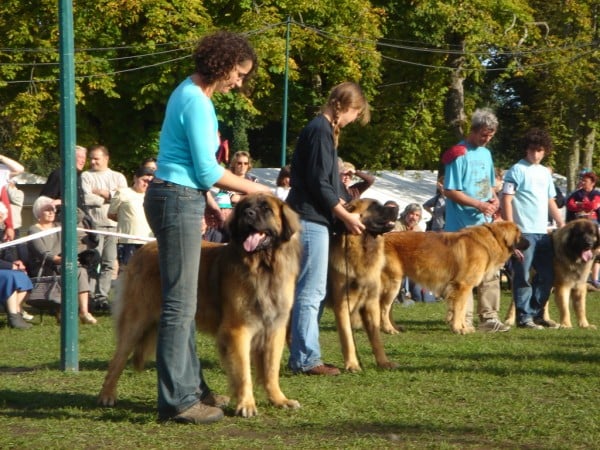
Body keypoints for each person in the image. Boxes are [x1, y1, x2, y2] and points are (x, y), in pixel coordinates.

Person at [143, 30, 269, 425]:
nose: (239, 81)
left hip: (180, 196)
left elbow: (188, 166)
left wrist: (209, 202)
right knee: (180, 305)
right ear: (223, 64)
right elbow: (206, 170)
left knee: (185, 303)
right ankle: (177, 402)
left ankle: (194, 389)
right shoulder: (197, 101)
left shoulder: (189, 92)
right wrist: (259, 188)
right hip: (176, 197)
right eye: (239, 72)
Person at [286, 81, 369, 376]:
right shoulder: (321, 131)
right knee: (311, 291)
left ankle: (300, 352)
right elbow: (321, 184)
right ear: (347, 107)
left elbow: (326, 182)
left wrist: (345, 203)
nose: (352, 122)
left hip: (308, 218)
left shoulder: (319, 131)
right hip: (310, 220)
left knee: (307, 291)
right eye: (355, 115)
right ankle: (306, 359)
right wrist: (345, 216)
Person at [442, 107, 510, 333]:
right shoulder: (458, 153)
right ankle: (464, 319)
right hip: (461, 227)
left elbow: (489, 184)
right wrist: (478, 204)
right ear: (474, 129)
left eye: (491, 135)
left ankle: (489, 317)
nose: (487, 139)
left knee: (492, 269)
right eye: (484, 134)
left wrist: (494, 199)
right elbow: (450, 190)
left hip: (485, 224)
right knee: (464, 275)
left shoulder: (486, 154)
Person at [501, 128, 565, 329]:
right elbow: (506, 199)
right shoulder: (516, 170)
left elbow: (550, 201)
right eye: (532, 150)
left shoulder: (545, 173)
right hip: (523, 232)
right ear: (526, 150)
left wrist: (561, 224)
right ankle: (524, 318)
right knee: (523, 276)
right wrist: (511, 229)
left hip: (543, 232)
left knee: (547, 275)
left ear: (545, 151)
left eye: (540, 150)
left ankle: (537, 314)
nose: (535, 154)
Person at [27, 196, 97, 324]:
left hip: (62, 263)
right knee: (72, 269)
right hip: (45, 267)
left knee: (80, 270)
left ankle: (84, 312)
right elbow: (43, 253)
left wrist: (63, 204)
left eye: (52, 210)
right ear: (38, 212)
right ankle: (63, 311)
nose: (51, 212)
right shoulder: (33, 230)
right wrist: (63, 261)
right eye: (47, 210)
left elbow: (79, 216)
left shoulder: (59, 226)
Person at [80, 145, 128, 309]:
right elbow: (86, 198)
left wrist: (101, 192)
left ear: (106, 158)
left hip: (113, 226)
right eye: (91, 158)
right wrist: (107, 197)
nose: (92, 161)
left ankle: (102, 296)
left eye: (96, 158)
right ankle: (90, 295)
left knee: (108, 262)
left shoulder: (118, 176)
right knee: (93, 261)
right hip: (94, 225)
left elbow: (121, 197)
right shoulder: (86, 176)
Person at [204, 150, 258, 243]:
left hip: (248, 219)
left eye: (246, 163)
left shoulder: (253, 180)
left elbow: (255, 200)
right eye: (239, 163)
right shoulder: (227, 180)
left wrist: (237, 198)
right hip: (229, 221)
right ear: (234, 164)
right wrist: (244, 198)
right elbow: (223, 202)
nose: (243, 166)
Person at [107, 166, 154, 267]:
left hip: (148, 241)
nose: (146, 184)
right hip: (128, 241)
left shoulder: (152, 195)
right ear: (135, 178)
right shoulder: (122, 193)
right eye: (144, 180)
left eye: (150, 182)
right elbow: (111, 214)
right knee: (127, 270)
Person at [565, 171, 600, 289]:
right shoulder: (576, 194)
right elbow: (570, 205)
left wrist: (580, 205)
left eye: (585, 181)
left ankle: (594, 279)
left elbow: (593, 206)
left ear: (593, 183)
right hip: (579, 225)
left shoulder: (596, 194)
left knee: (597, 252)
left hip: (594, 225)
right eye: (582, 180)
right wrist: (583, 205)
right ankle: (574, 278)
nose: (582, 182)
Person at [394, 203, 436, 303]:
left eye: (417, 215)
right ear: (406, 214)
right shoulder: (397, 225)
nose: (414, 217)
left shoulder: (417, 228)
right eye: (412, 214)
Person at [39, 145, 88, 212]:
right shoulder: (59, 174)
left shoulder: (80, 176)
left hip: (80, 218)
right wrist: (61, 203)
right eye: (80, 157)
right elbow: (44, 201)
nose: (83, 161)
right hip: (61, 219)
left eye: (84, 158)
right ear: (70, 157)